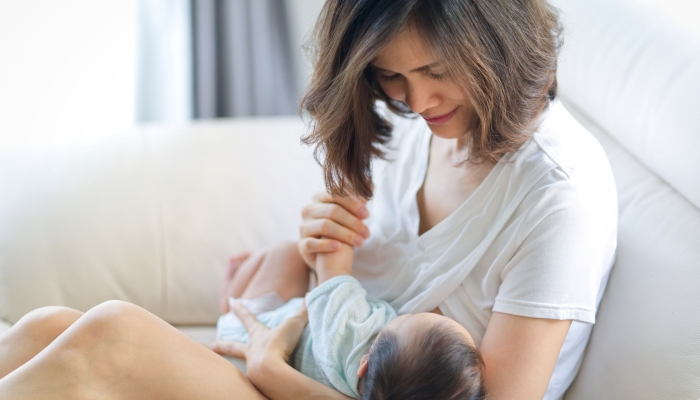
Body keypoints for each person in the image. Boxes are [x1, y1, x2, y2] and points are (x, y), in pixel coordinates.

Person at [0, 0, 617, 399]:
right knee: (46, 329)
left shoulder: (557, 198)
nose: (418, 101)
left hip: (303, 384)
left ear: (495, 42)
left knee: (111, 333)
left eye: (437, 71)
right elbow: (371, 279)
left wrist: (272, 372)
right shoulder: (425, 128)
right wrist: (311, 247)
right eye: (392, 76)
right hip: (307, 367)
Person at [216, 242, 486, 399]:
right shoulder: (376, 390)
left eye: (409, 318)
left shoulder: (351, 329)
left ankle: (229, 295)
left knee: (289, 253)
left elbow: (332, 266)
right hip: (247, 360)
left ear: (363, 363)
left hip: (250, 327)